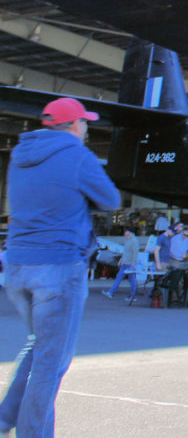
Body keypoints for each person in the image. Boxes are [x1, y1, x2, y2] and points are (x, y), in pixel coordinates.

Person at [0, 97, 121, 437]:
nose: (87, 128)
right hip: (58, 268)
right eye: (86, 123)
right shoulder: (77, 155)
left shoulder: (19, 156)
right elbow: (110, 200)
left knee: (40, 346)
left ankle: (4, 420)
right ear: (73, 125)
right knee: (51, 363)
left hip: (18, 266)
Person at [102, 229, 140, 302]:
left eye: (126, 232)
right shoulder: (128, 240)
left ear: (130, 232)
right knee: (119, 277)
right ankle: (111, 292)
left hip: (129, 264)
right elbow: (125, 252)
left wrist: (133, 263)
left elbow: (135, 253)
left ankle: (132, 295)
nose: (125, 234)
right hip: (125, 263)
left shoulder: (134, 241)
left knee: (132, 280)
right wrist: (121, 260)